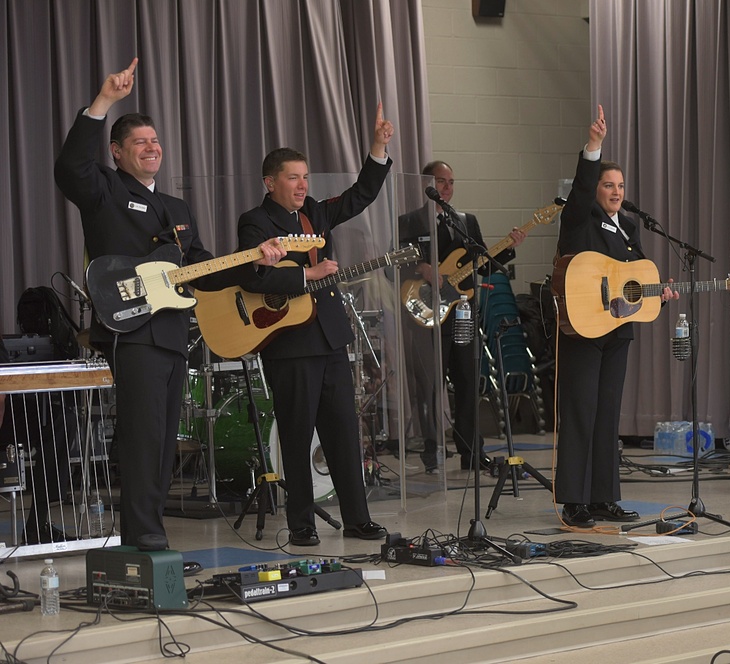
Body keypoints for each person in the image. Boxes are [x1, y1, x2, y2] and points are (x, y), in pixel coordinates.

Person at [53, 58, 286, 552]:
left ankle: (149, 527)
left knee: (162, 439)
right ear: (117, 153)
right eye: (140, 142)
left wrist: (258, 261)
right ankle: (141, 533)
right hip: (130, 329)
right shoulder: (106, 190)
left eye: (155, 141)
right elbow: (70, 167)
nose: (152, 148)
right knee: (141, 433)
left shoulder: (177, 209)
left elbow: (204, 267)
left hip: (172, 332)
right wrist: (103, 102)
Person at [235, 106, 395, 546]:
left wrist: (378, 149)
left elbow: (359, 195)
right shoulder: (255, 222)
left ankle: (357, 518)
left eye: (306, 177)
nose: (303, 185)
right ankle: (302, 523)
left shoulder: (314, 216)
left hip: (328, 339)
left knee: (344, 430)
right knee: (297, 435)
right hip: (288, 343)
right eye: (293, 177)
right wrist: (308, 274)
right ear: (271, 183)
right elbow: (254, 277)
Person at [554, 105, 677, 527]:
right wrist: (594, 148)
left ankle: (603, 497)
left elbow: (634, 274)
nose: (616, 191)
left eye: (620, 185)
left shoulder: (628, 226)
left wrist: (659, 292)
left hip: (618, 329)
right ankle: (573, 501)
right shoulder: (577, 219)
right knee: (580, 410)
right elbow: (581, 191)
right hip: (582, 329)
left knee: (608, 414)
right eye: (608, 184)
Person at [397, 161, 525, 474]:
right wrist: (421, 269)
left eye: (451, 182)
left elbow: (484, 265)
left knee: (469, 383)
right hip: (426, 316)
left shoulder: (465, 221)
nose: (447, 188)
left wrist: (509, 248)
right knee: (429, 387)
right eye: (441, 182)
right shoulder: (408, 222)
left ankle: (471, 452)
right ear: (427, 184)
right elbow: (392, 266)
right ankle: (432, 450)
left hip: (463, 314)